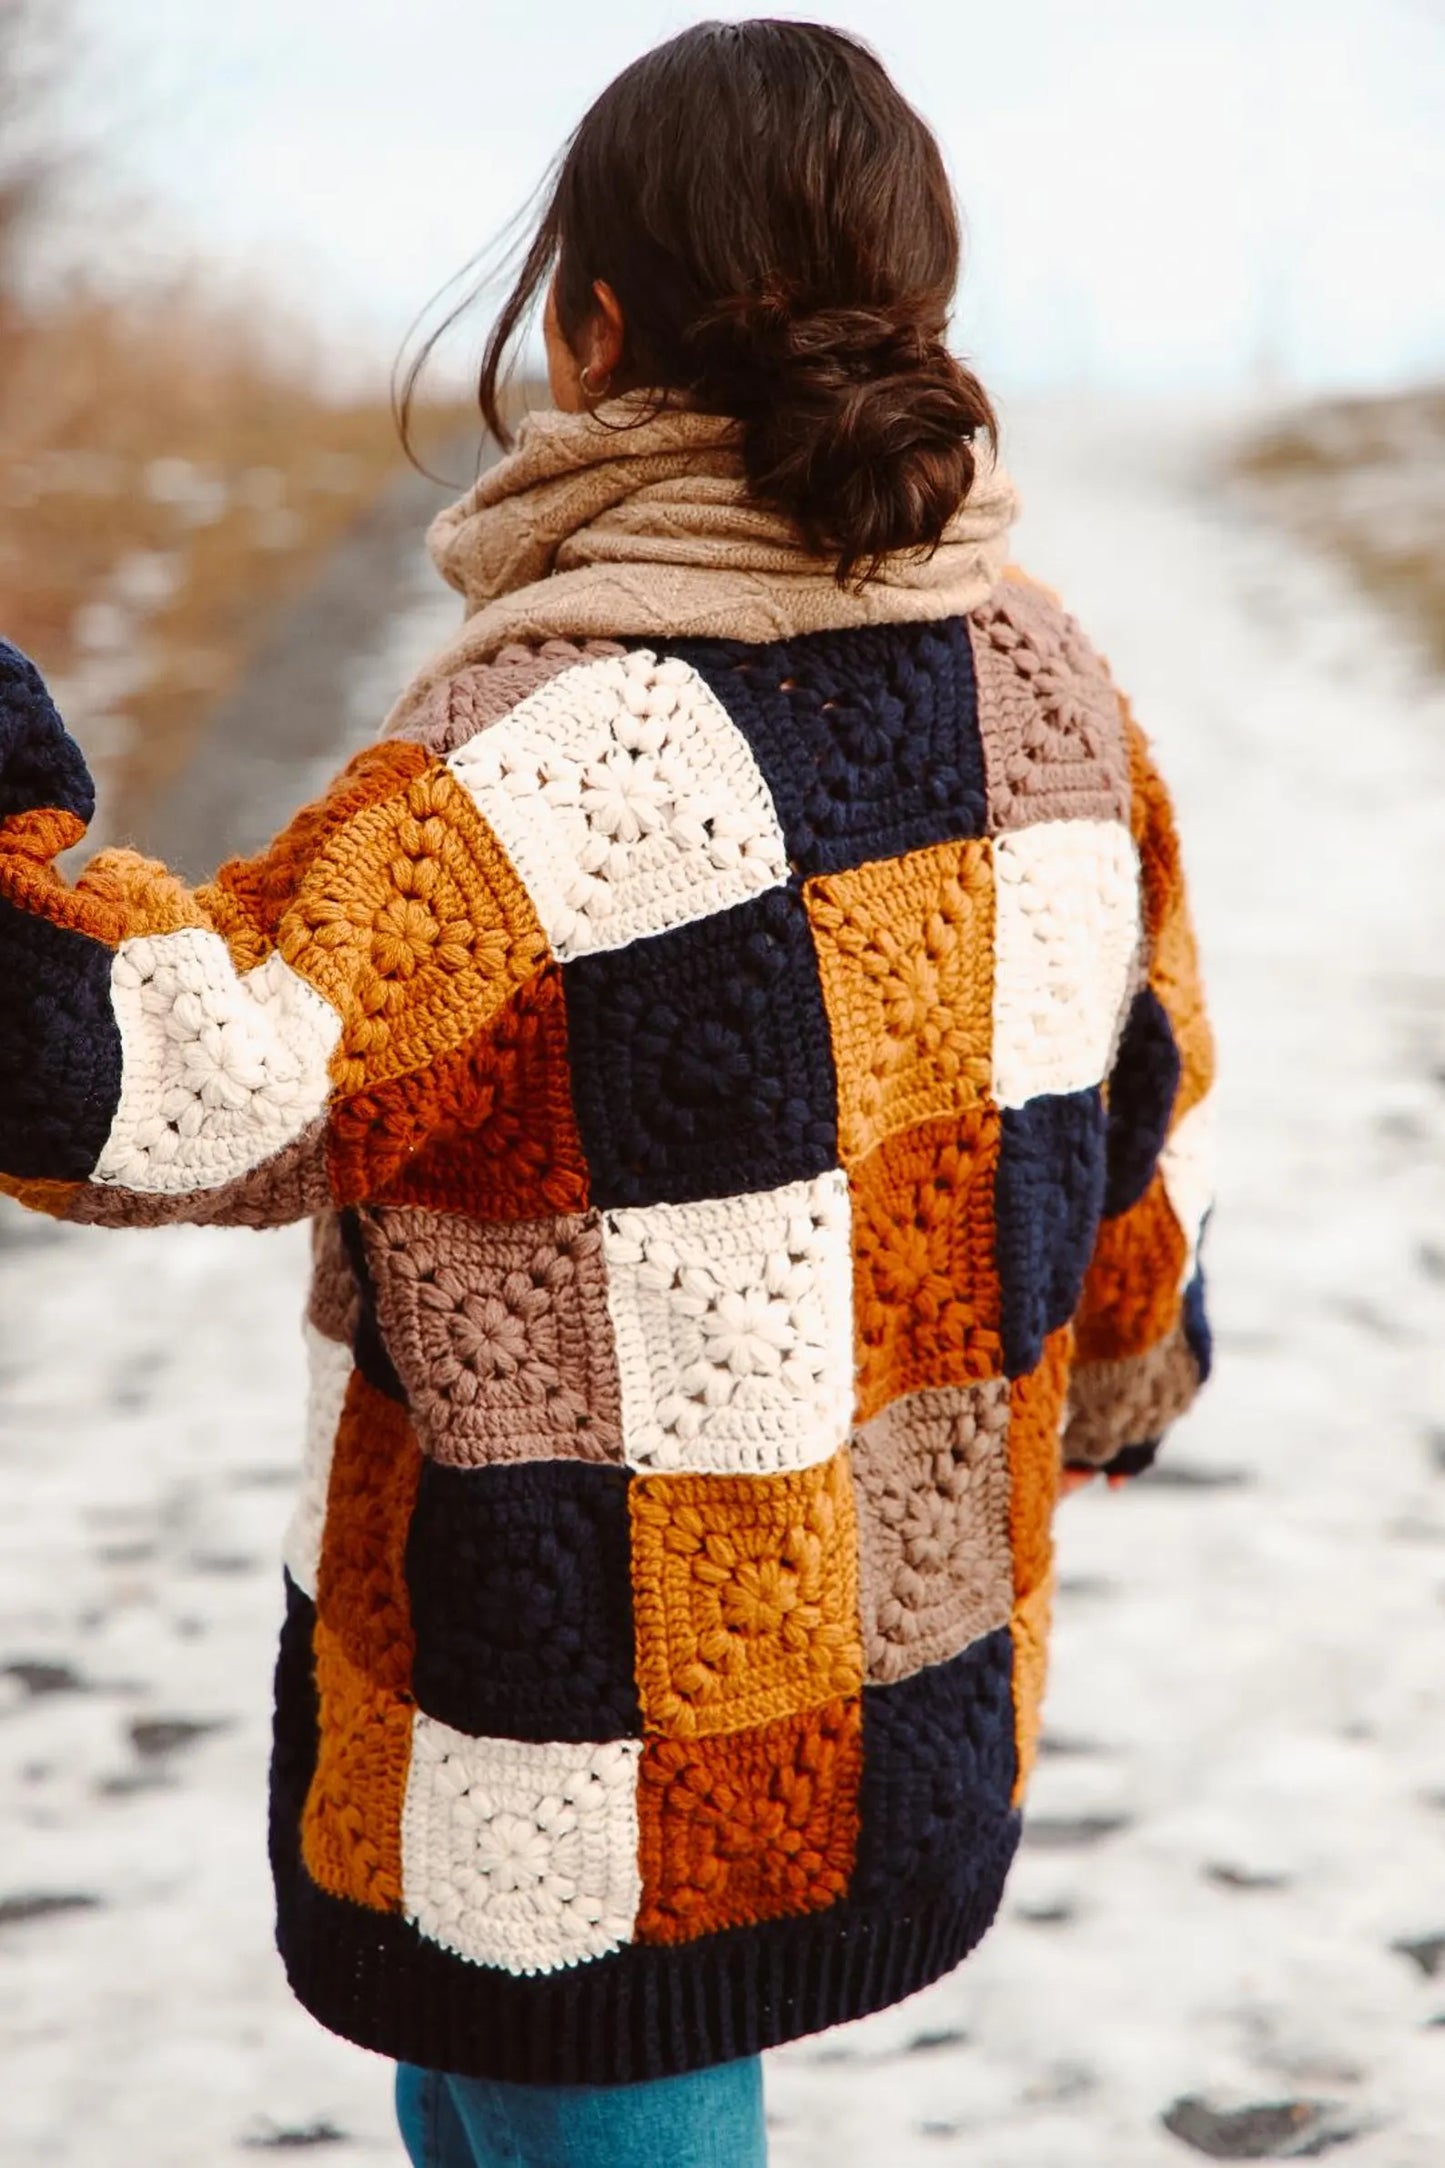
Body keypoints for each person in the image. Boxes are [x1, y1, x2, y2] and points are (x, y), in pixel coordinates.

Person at [0, 19, 1215, 2168]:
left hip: (592, 1755)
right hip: (890, 1687)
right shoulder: (1052, 684)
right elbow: (1133, 1107)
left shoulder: (564, 750)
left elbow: (167, 1086)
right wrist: (1124, 1367)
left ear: (595, 325)